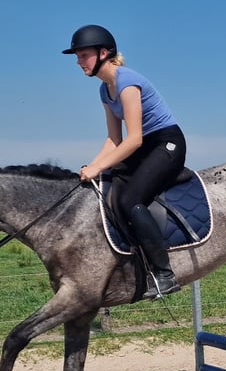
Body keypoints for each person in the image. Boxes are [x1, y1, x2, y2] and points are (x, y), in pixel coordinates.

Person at [62, 24, 186, 299]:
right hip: (142, 148)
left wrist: (99, 166)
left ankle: (165, 276)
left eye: (83, 55)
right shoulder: (105, 91)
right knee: (108, 188)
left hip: (166, 144)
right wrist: (92, 168)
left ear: (104, 53)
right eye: (77, 57)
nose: (78, 61)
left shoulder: (127, 82)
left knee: (131, 200)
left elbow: (134, 139)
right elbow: (114, 139)